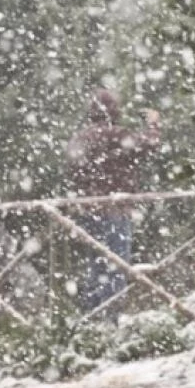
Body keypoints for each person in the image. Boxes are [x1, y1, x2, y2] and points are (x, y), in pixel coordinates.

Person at [67, 88, 161, 317]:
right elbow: (149, 144)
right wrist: (154, 124)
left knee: (96, 266)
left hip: (89, 210)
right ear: (113, 110)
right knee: (116, 266)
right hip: (114, 209)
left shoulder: (79, 138)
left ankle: (92, 319)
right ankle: (110, 320)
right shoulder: (115, 135)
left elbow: (73, 172)